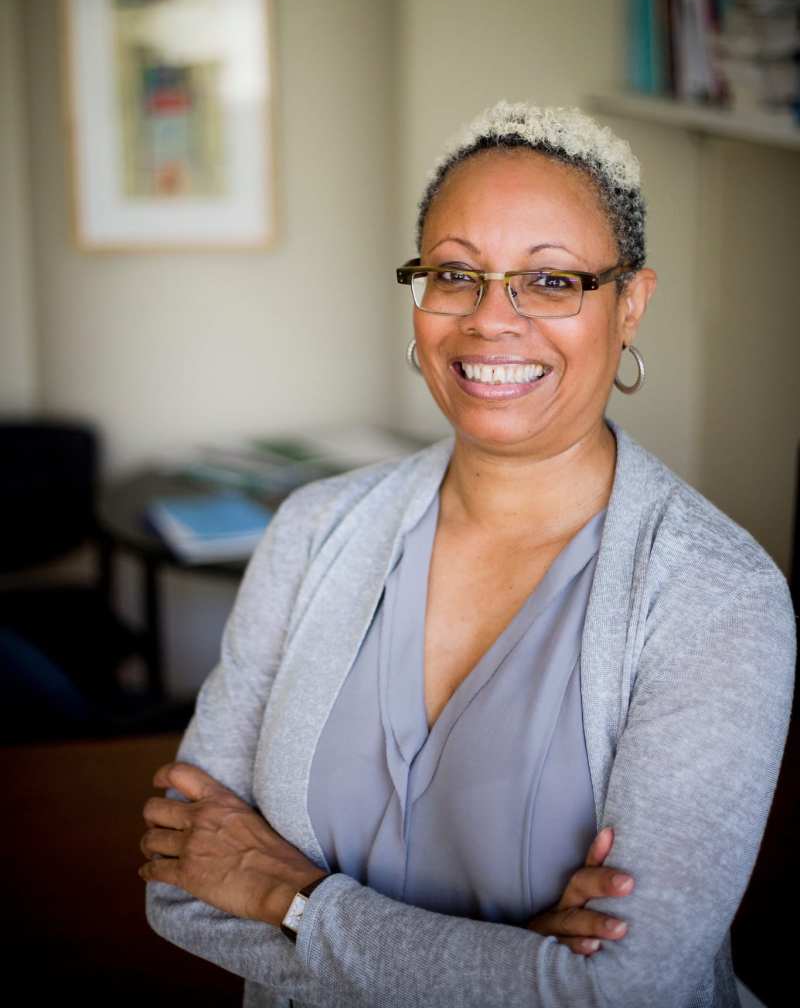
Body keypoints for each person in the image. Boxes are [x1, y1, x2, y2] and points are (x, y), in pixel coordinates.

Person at [141, 101, 795, 1008]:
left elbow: (623, 992)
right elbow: (181, 884)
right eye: (456, 273)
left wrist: (287, 897)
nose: (492, 320)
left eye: (552, 282)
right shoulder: (313, 529)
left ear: (630, 304)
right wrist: (511, 969)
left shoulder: (718, 596)